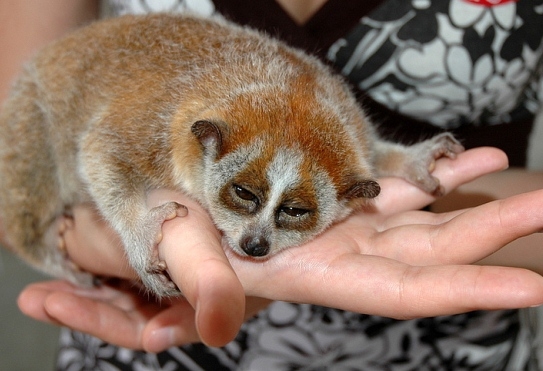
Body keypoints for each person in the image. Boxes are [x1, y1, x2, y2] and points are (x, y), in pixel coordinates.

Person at [4, 0, 543, 369]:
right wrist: (119, 230)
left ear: (341, 204)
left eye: (294, 214)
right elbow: (100, 147)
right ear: (208, 146)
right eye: (243, 196)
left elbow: (357, 160)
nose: (256, 238)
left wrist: (401, 162)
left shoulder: (343, 133)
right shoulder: (178, 124)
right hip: (57, 128)